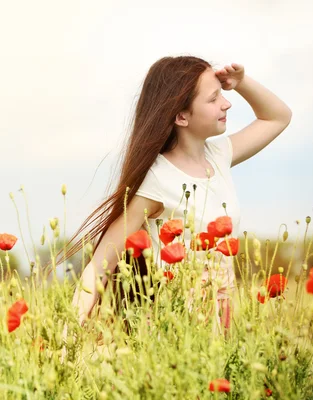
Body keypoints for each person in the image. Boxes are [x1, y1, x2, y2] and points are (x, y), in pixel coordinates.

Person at [58, 55, 292, 333]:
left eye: (222, 95)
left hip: (224, 319)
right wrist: (67, 337)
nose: (226, 103)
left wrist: (241, 83)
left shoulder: (219, 155)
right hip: (177, 328)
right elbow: (100, 264)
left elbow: (278, 117)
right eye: (213, 98)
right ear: (181, 116)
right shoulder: (156, 177)